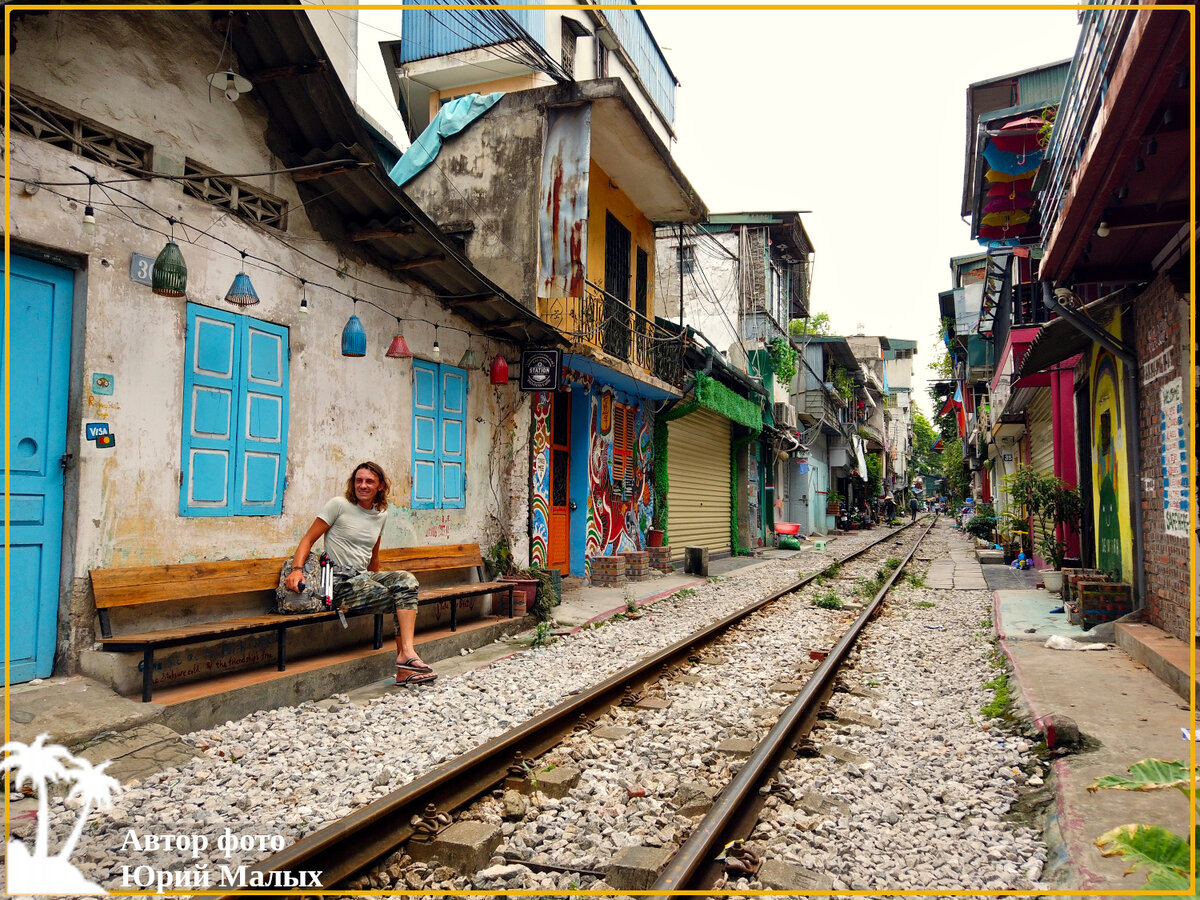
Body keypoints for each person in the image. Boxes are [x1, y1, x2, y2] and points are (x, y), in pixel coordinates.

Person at [284, 462, 435, 686]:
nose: (363, 486)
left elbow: (374, 553)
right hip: (337, 582)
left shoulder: (380, 513)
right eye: (358, 480)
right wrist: (297, 570)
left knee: (406, 582)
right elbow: (308, 539)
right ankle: (406, 662)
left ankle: (406, 657)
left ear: (381, 486)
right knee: (399, 599)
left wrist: (377, 580)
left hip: (362, 578)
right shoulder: (338, 505)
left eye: (369, 481)